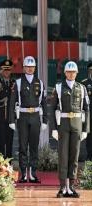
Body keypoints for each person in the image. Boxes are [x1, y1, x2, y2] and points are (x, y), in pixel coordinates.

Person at [51, 61, 89, 198]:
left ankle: (71, 187)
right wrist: (53, 128)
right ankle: (62, 187)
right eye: (69, 72)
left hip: (77, 125)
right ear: (65, 73)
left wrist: (86, 129)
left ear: (77, 73)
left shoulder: (82, 88)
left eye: (73, 72)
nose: (71, 74)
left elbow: (87, 109)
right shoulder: (59, 87)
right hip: (64, 124)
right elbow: (52, 109)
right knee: (63, 156)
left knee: (74, 156)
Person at [8, 56, 48, 183]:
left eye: (32, 67)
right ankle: (24, 173)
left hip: (35, 117)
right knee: (23, 146)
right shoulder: (18, 83)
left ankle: (34, 173)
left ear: (35, 68)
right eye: (27, 67)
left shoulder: (40, 83)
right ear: (24, 68)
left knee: (34, 146)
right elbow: (12, 102)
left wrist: (45, 120)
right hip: (23, 117)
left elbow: (44, 103)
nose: (30, 69)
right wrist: (11, 120)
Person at [81, 62, 92, 161]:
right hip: (89, 115)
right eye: (91, 70)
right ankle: (89, 158)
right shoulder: (84, 83)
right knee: (89, 137)